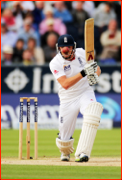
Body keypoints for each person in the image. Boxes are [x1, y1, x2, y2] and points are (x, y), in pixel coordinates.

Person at [49, 34, 103, 162]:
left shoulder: (82, 53)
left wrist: (94, 75)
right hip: (68, 98)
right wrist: (84, 73)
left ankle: (83, 152)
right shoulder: (55, 63)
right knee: (64, 140)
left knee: (93, 112)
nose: (65, 49)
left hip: (85, 92)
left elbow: (97, 69)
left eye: (68, 46)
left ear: (73, 47)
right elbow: (65, 84)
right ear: (58, 48)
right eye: (62, 47)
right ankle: (65, 152)